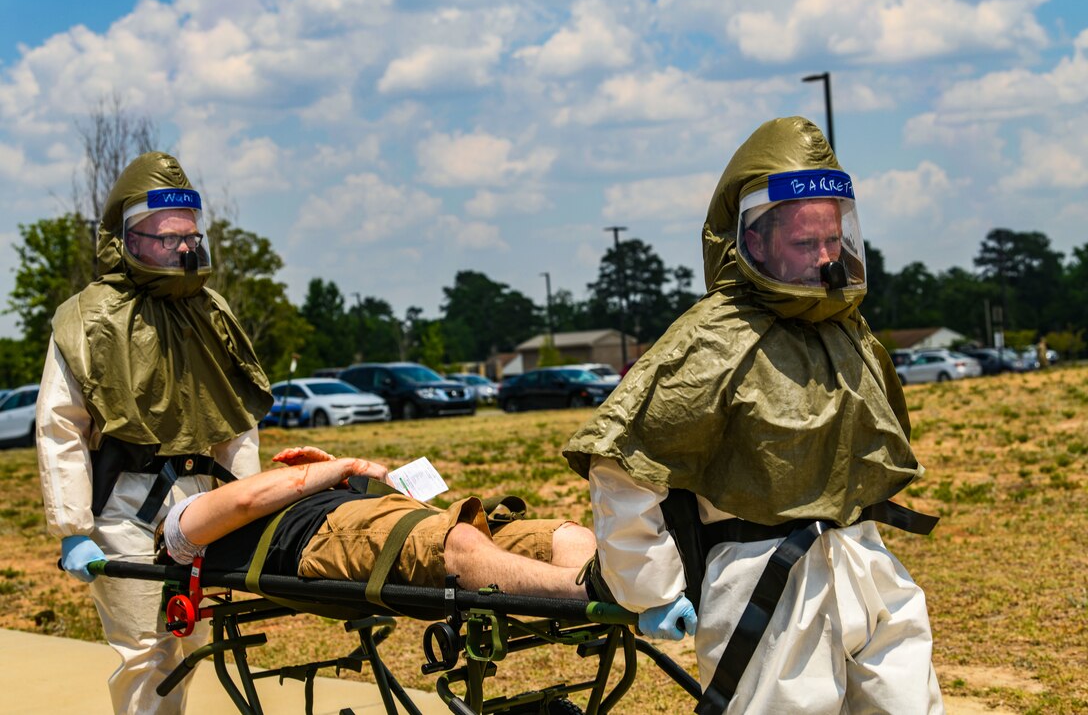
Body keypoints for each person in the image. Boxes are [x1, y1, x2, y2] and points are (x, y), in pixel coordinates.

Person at [564, 117, 944, 714]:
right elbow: (624, 466)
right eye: (804, 244)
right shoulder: (713, 339)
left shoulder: (846, 330)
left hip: (864, 564)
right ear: (756, 241)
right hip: (767, 588)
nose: (826, 258)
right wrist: (651, 590)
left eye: (832, 238)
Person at [37, 151, 272, 715]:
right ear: (128, 239)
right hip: (125, 507)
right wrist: (73, 528)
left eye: (190, 237)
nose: (184, 249)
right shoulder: (87, 318)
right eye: (167, 239)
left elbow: (236, 423)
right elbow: (59, 427)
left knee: (190, 642)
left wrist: (248, 507)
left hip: (203, 501)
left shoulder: (209, 312)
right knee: (147, 650)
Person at [163, 446, 596, 600]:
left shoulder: (299, 488)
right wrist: (342, 466)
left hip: (385, 517)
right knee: (455, 543)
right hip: (329, 536)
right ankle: (593, 590)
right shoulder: (181, 524)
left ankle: (628, 583)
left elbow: (390, 486)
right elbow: (246, 499)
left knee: (559, 535)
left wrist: (334, 470)